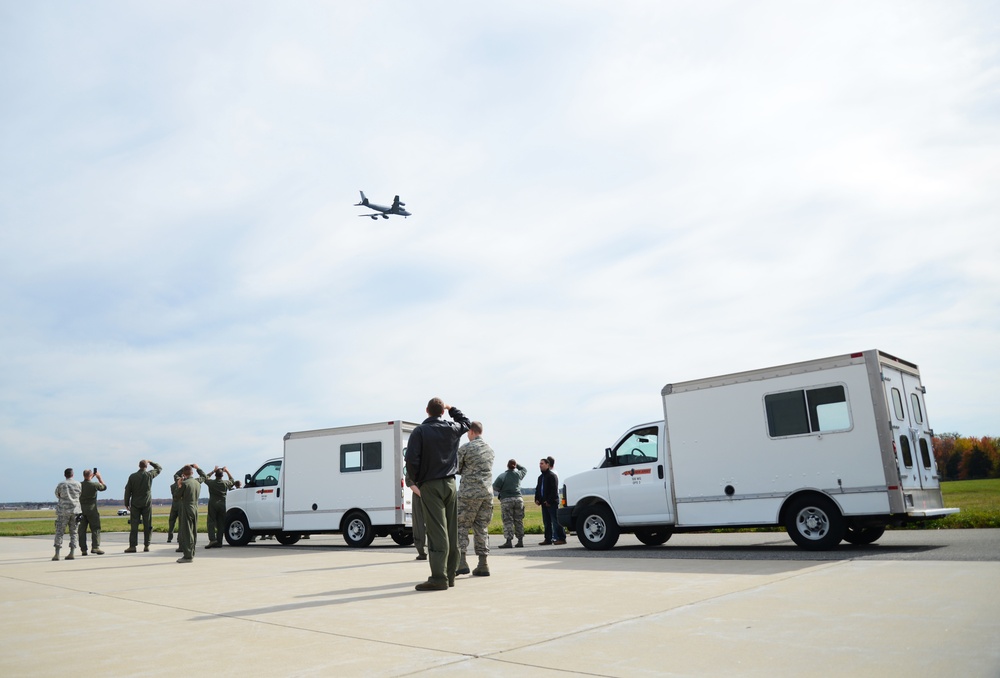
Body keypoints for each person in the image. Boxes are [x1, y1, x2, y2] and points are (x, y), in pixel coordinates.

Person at [404, 398, 471, 591]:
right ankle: (450, 576)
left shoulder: (420, 431)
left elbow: (411, 459)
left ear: (427, 410)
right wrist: (452, 409)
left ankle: (438, 578)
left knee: (436, 531)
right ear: (442, 412)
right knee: (451, 530)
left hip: (430, 484)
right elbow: (466, 422)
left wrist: (416, 480)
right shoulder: (451, 428)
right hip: (450, 483)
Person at [455, 421, 495, 576]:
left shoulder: (466, 448)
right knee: (481, 527)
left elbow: (456, 468)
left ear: (471, 431)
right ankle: (483, 563)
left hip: (469, 493)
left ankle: (461, 562)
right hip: (486, 493)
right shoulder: (490, 449)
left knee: (461, 526)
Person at [123, 459, 162, 553]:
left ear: (138, 466)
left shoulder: (132, 476)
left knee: (134, 525)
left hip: (135, 503)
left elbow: (128, 490)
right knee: (147, 524)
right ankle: (146, 545)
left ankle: (132, 546)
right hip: (146, 503)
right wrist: (151, 462)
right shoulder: (149, 475)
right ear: (146, 466)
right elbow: (159, 468)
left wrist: (126, 503)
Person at [175, 464, 207, 563]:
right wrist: (198, 468)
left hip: (186, 507)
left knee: (187, 531)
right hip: (195, 507)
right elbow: (204, 477)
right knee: (193, 531)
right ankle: (192, 552)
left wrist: (179, 485)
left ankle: (188, 556)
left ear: (184, 474)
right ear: (192, 472)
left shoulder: (185, 483)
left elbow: (176, 496)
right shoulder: (197, 482)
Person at [493, 459, 527, 548]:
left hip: (506, 499)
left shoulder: (502, 476)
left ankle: (509, 541)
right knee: (518, 520)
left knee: (508, 521)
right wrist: (517, 465)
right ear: (514, 466)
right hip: (519, 499)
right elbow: (524, 469)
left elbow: (495, 487)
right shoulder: (518, 474)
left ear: (507, 466)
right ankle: (520, 540)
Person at [534, 456, 566, 545]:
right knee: (546, 522)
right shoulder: (540, 477)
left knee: (555, 521)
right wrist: (537, 499)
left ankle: (561, 538)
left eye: (542, 463)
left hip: (551, 503)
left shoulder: (552, 476)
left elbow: (554, 490)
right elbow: (538, 489)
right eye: (539, 464)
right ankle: (548, 539)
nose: (540, 465)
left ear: (547, 465)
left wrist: (549, 501)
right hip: (544, 504)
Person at [53, 468, 82, 561]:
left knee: (59, 532)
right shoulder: (78, 484)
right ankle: (72, 552)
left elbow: (57, 494)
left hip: (63, 511)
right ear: (72, 474)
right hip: (75, 510)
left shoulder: (61, 484)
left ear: (65, 475)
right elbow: (80, 494)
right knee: (74, 532)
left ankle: (57, 553)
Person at [77, 468, 106, 556]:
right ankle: (95, 547)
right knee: (95, 528)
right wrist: (99, 477)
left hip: (81, 509)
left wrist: (89, 478)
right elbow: (104, 487)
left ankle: (83, 549)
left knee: (81, 530)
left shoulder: (79, 485)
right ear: (91, 475)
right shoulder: (95, 484)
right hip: (92, 509)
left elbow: (86, 484)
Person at [204, 466, 234, 548]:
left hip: (213, 503)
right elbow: (232, 480)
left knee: (211, 522)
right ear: (222, 476)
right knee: (221, 523)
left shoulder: (211, 483)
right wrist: (227, 471)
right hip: (222, 504)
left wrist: (213, 471)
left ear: (215, 475)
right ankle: (219, 541)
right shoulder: (225, 483)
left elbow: (205, 478)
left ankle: (212, 539)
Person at [405, 468, 427, 560]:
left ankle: (421, 552)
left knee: (419, 524)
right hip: (433, 494)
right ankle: (437, 552)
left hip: (419, 495)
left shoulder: (415, 459)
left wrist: (421, 494)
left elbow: (410, 482)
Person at [167, 470, 181, 543]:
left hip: (174, 505)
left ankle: (170, 537)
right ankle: (179, 538)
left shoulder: (172, 486)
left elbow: (176, 474)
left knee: (171, 522)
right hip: (180, 505)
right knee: (181, 523)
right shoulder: (182, 485)